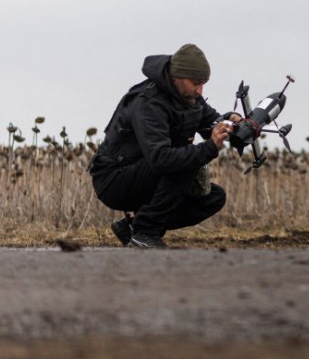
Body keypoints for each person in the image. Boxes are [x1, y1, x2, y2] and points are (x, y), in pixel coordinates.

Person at [89, 43, 242, 248]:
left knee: (213, 197)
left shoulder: (189, 97)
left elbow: (210, 122)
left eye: (204, 83)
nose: (200, 90)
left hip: (146, 173)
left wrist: (232, 123)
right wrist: (210, 148)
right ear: (176, 77)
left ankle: (133, 228)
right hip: (113, 179)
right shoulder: (149, 103)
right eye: (196, 83)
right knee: (185, 163)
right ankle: (145, 233)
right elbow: (161, 160)